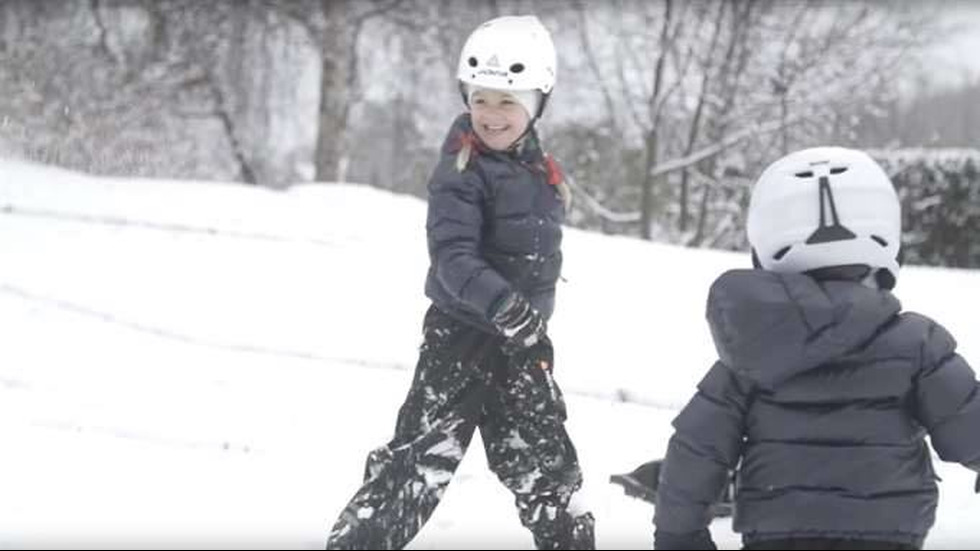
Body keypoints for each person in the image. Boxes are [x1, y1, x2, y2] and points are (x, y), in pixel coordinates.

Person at [325, 15, 594, 551]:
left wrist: (526, 321)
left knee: (547, 469)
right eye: (481, 99)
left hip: (522, 343)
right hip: (462, 337)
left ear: (537, 104)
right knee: (422, 462)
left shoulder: (538, 169)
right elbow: (452, 256)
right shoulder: (462, 169)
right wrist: (505, 306)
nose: (491, 115)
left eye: (507, 102)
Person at [652, 146, 980, 550]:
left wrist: (679, 535)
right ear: (890, 245)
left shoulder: (752, 352)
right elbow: (970, 427)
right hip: (888, 535)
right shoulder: (917, 344)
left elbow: (696, 452)